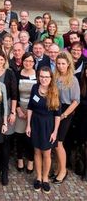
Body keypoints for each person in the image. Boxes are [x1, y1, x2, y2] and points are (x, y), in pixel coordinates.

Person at [26, 67, 61, 194]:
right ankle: (39, 177)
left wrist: (55, 131)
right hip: (35, 123)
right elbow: (30, 107)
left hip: (48, 125)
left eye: (46, 77)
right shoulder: (35, 88)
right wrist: (28, 125)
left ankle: (45, 178)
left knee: (46, 153)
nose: (43, 79)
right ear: (38, 77)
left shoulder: (54, 91)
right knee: (36, 151)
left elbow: (57, 114)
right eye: (41, 76)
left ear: (51, 78)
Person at [53, 52, 80, 184]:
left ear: (68, 64)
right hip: (55, 109)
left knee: (59, 143)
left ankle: (63, 171)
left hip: (66, 112)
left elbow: (76, 101)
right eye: (58, 63)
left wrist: (64, 115)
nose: (60, 66)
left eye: (63, 63)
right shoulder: (55, 77)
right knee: (55, 143)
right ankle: (59, 168)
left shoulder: (73, 79)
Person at [0, 50, 18, 185]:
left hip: (7, 108)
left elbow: (14, 94)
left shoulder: (9, 73)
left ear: (5, 61)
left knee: (6, 142)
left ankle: (4, 171)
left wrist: (13, 112)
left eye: (1, 59)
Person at [15, 53, 36, 174]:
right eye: (26, 61)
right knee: (20, 136)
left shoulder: (38, 75)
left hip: (33, 109)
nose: (28, 63)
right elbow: (15, 93)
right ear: (22, 62)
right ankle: (19, 159)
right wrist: (17, 108)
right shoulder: (17, 74)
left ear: (34, 62)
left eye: (30, 61)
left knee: (30, 137)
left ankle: (30, 160)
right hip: (20, 109)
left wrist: (30, 111)